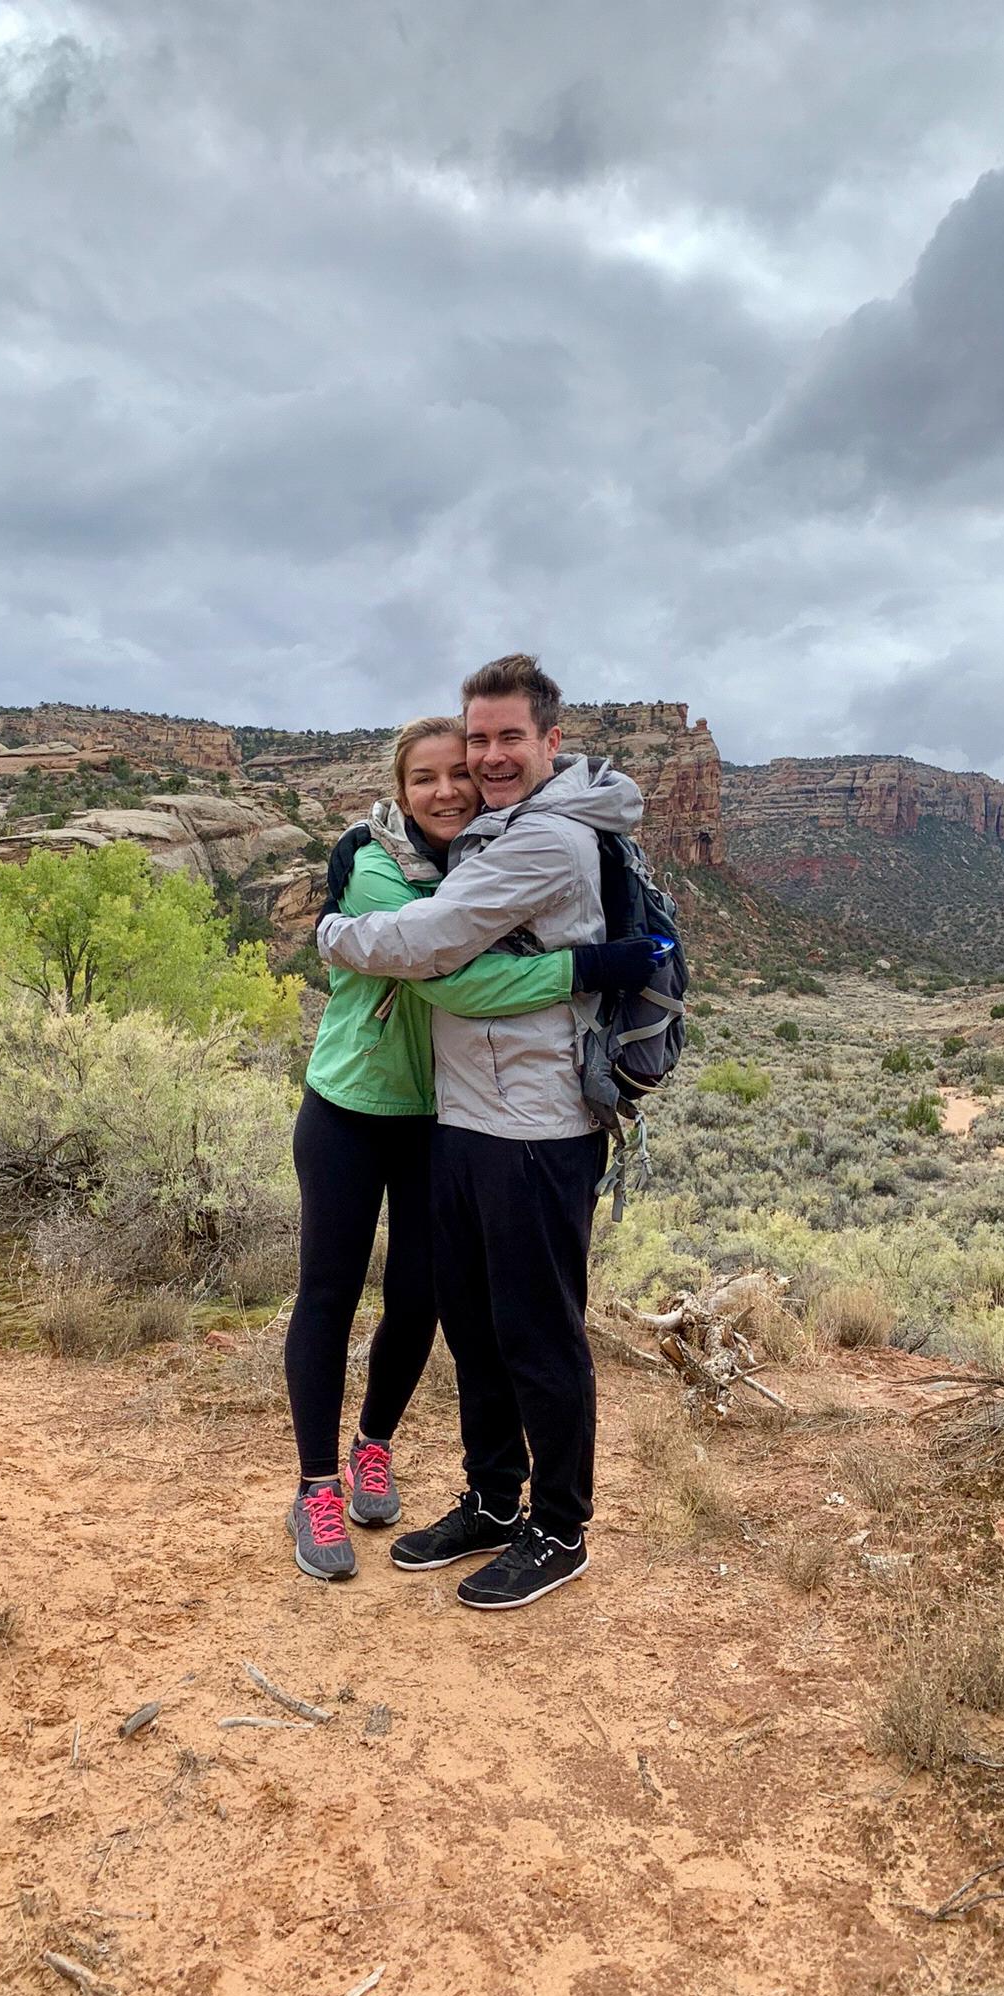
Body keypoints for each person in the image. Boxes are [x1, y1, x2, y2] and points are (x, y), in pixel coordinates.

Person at [317, 655, 659, 1609]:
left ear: (553, 741)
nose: (492, 756)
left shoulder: (546, 843)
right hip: (467, 1119)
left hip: (537, 1127)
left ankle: (559, 1528)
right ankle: (496, 1500)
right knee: (474, 1326)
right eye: (480, 740)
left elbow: (428, 946)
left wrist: (335, 933)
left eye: (512, 738)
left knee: (538, 1332)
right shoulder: (500, 827)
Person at [286, 716, 588, 1583]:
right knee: (331, 1294)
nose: (449, 789)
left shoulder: (484, 861)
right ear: (400, 789)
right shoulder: (376, 863)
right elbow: (451, 973)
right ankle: (314, 1487)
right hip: (348, 1107)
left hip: (441, 1117)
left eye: (461, 772)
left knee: (419, 1299)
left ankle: (372, 1445)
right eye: (426, 779)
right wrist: (580, 971)